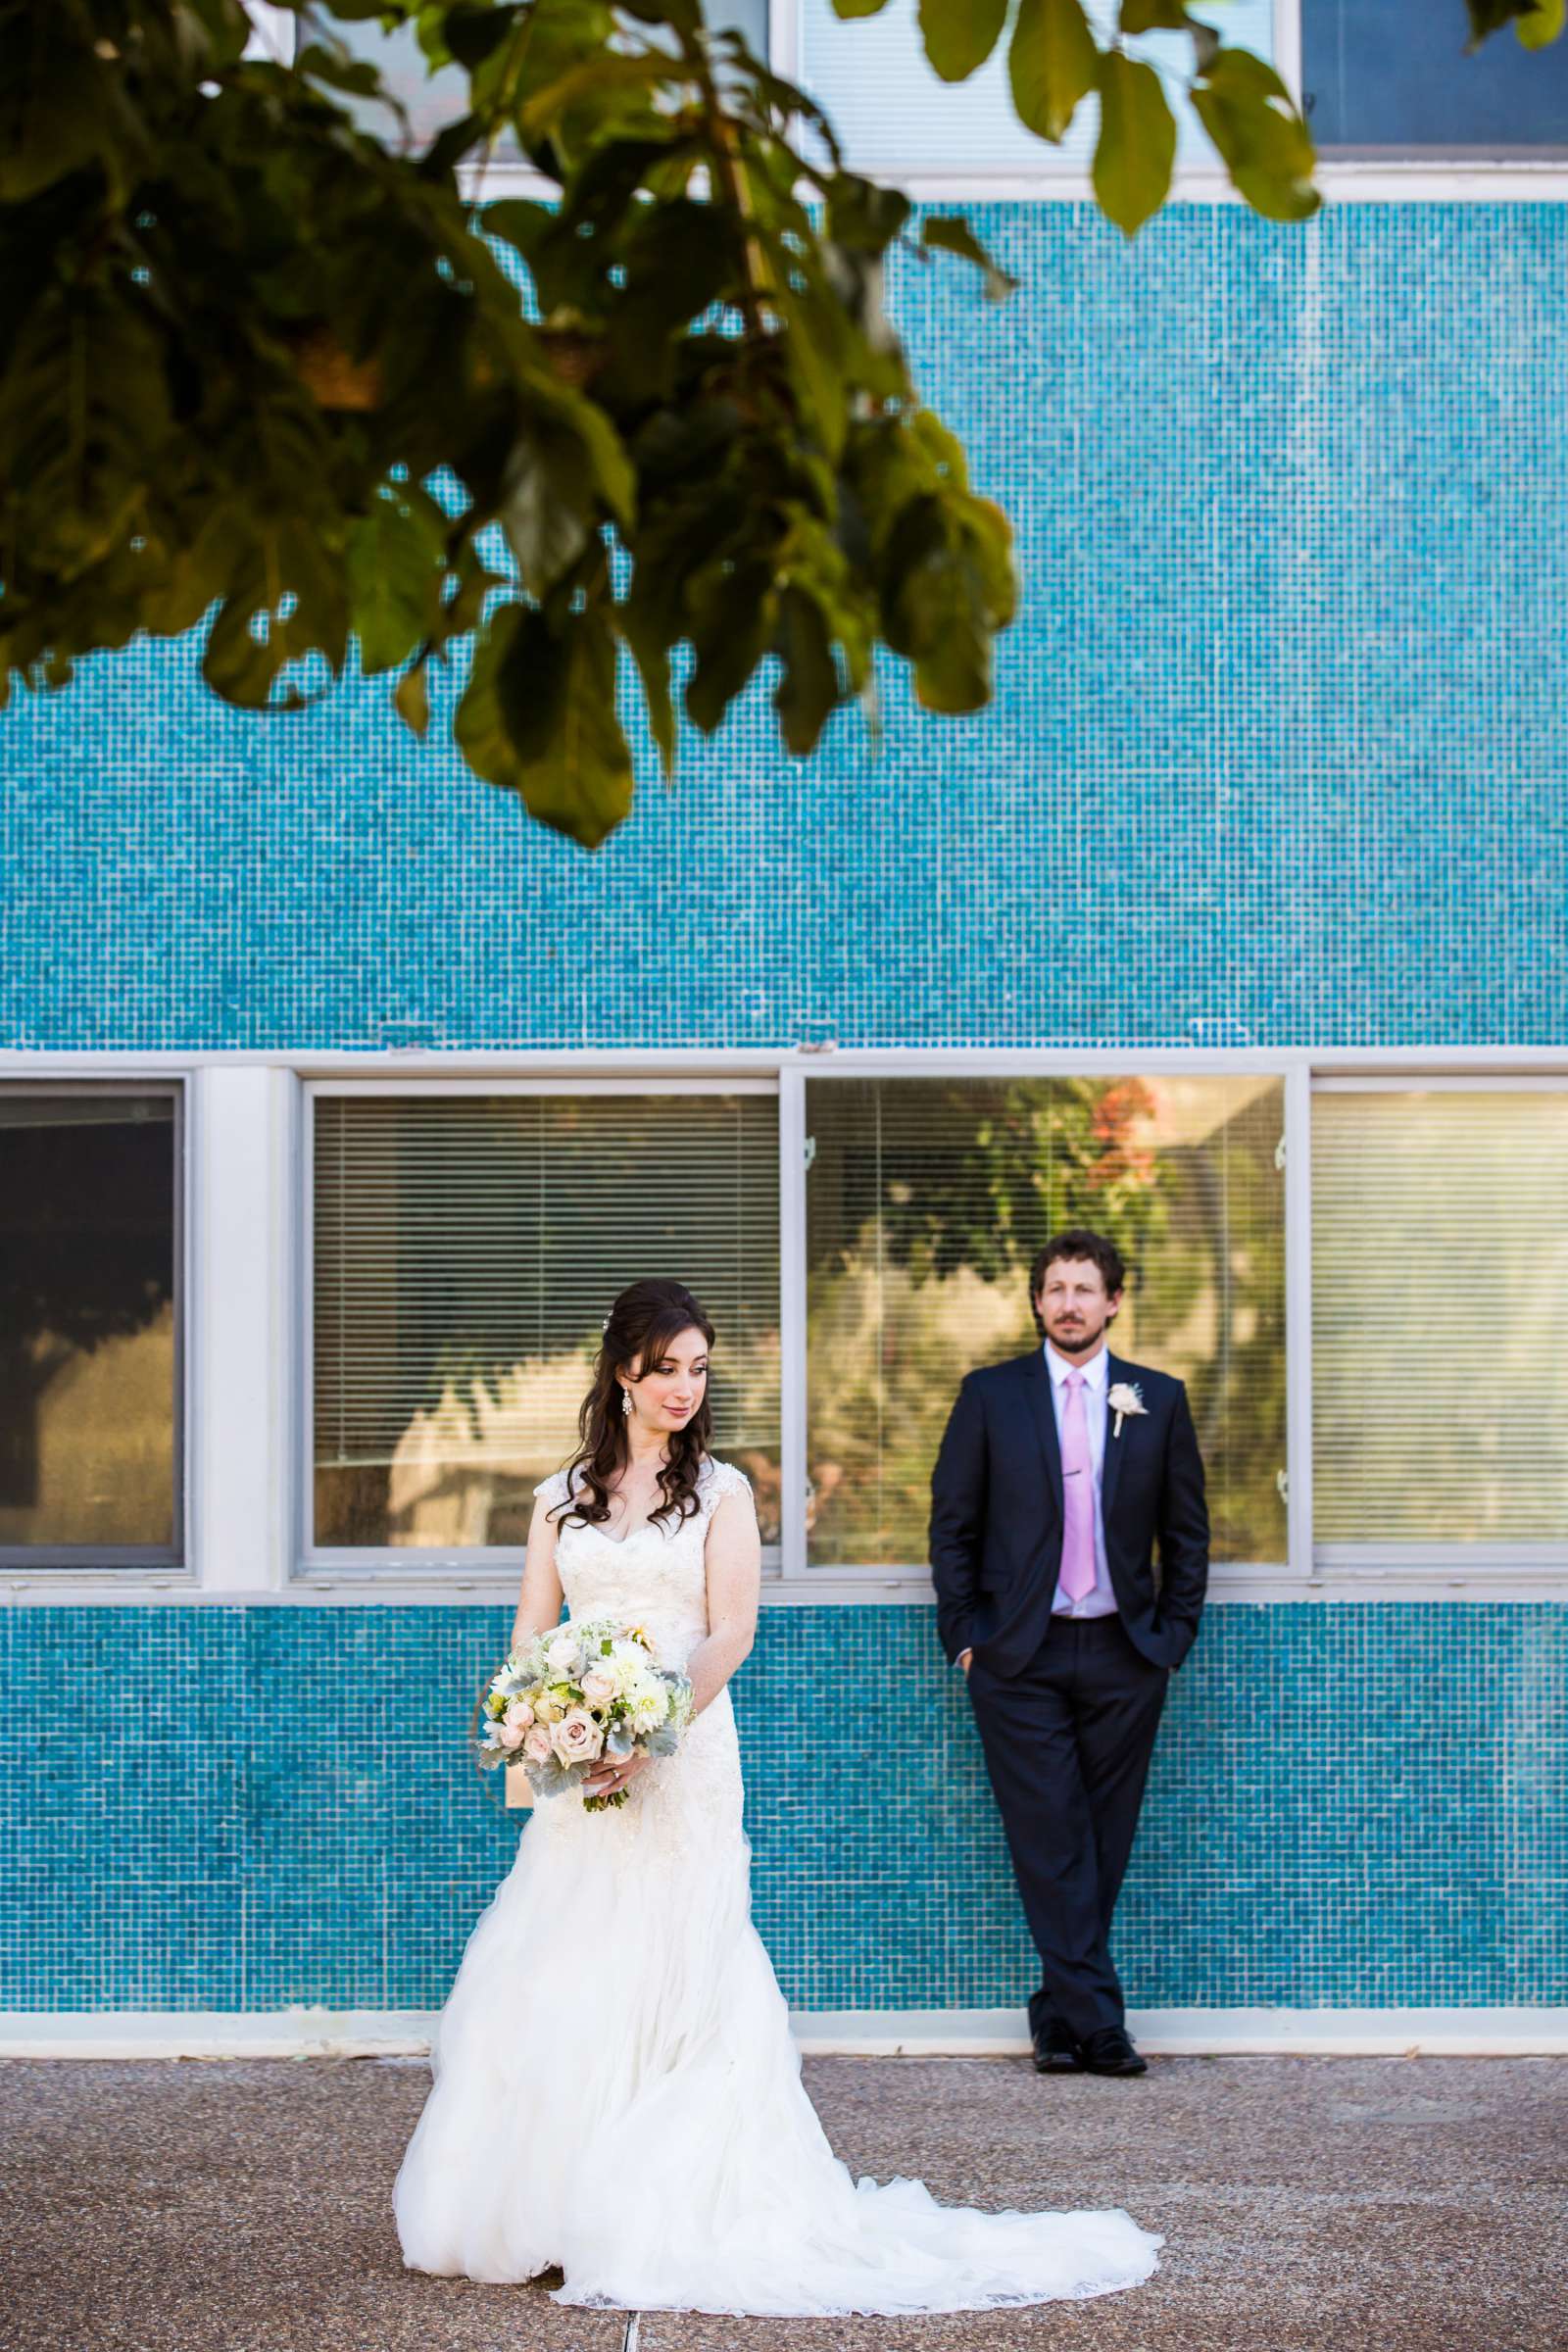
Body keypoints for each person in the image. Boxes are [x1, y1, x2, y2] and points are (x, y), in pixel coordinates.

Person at [393, 1276, 1165, 2316]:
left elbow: (730, 1633)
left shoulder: (719, 1492)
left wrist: (650, 1728)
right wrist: (547, 1729)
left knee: (683, 1957)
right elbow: (533, 1636)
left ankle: (664, 2205)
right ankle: (552, 2201)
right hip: (584, 1774)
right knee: (568, 1958)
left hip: (686, 1760)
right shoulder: (557, 1497)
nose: (683, 1386)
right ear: (623, 1369)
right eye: (666, 1367)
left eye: (698, 1368)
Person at [930, 1229, 1209, 2080]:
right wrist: (968, 1637)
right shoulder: (991, 1395)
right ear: (1038, 1301)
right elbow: (953, 1528)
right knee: (1049, 1837)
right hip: (1020, 1656)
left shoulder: (1157, 1397)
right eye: (1055, 1288)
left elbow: (1187, 1536)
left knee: (1103, 1840)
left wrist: (1171, 1639)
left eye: (1086, 1288)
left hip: (1127, 1653)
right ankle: (1103, 2028)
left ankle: (1057, 2019)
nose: (1070, 1303)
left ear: (1114, 1301)